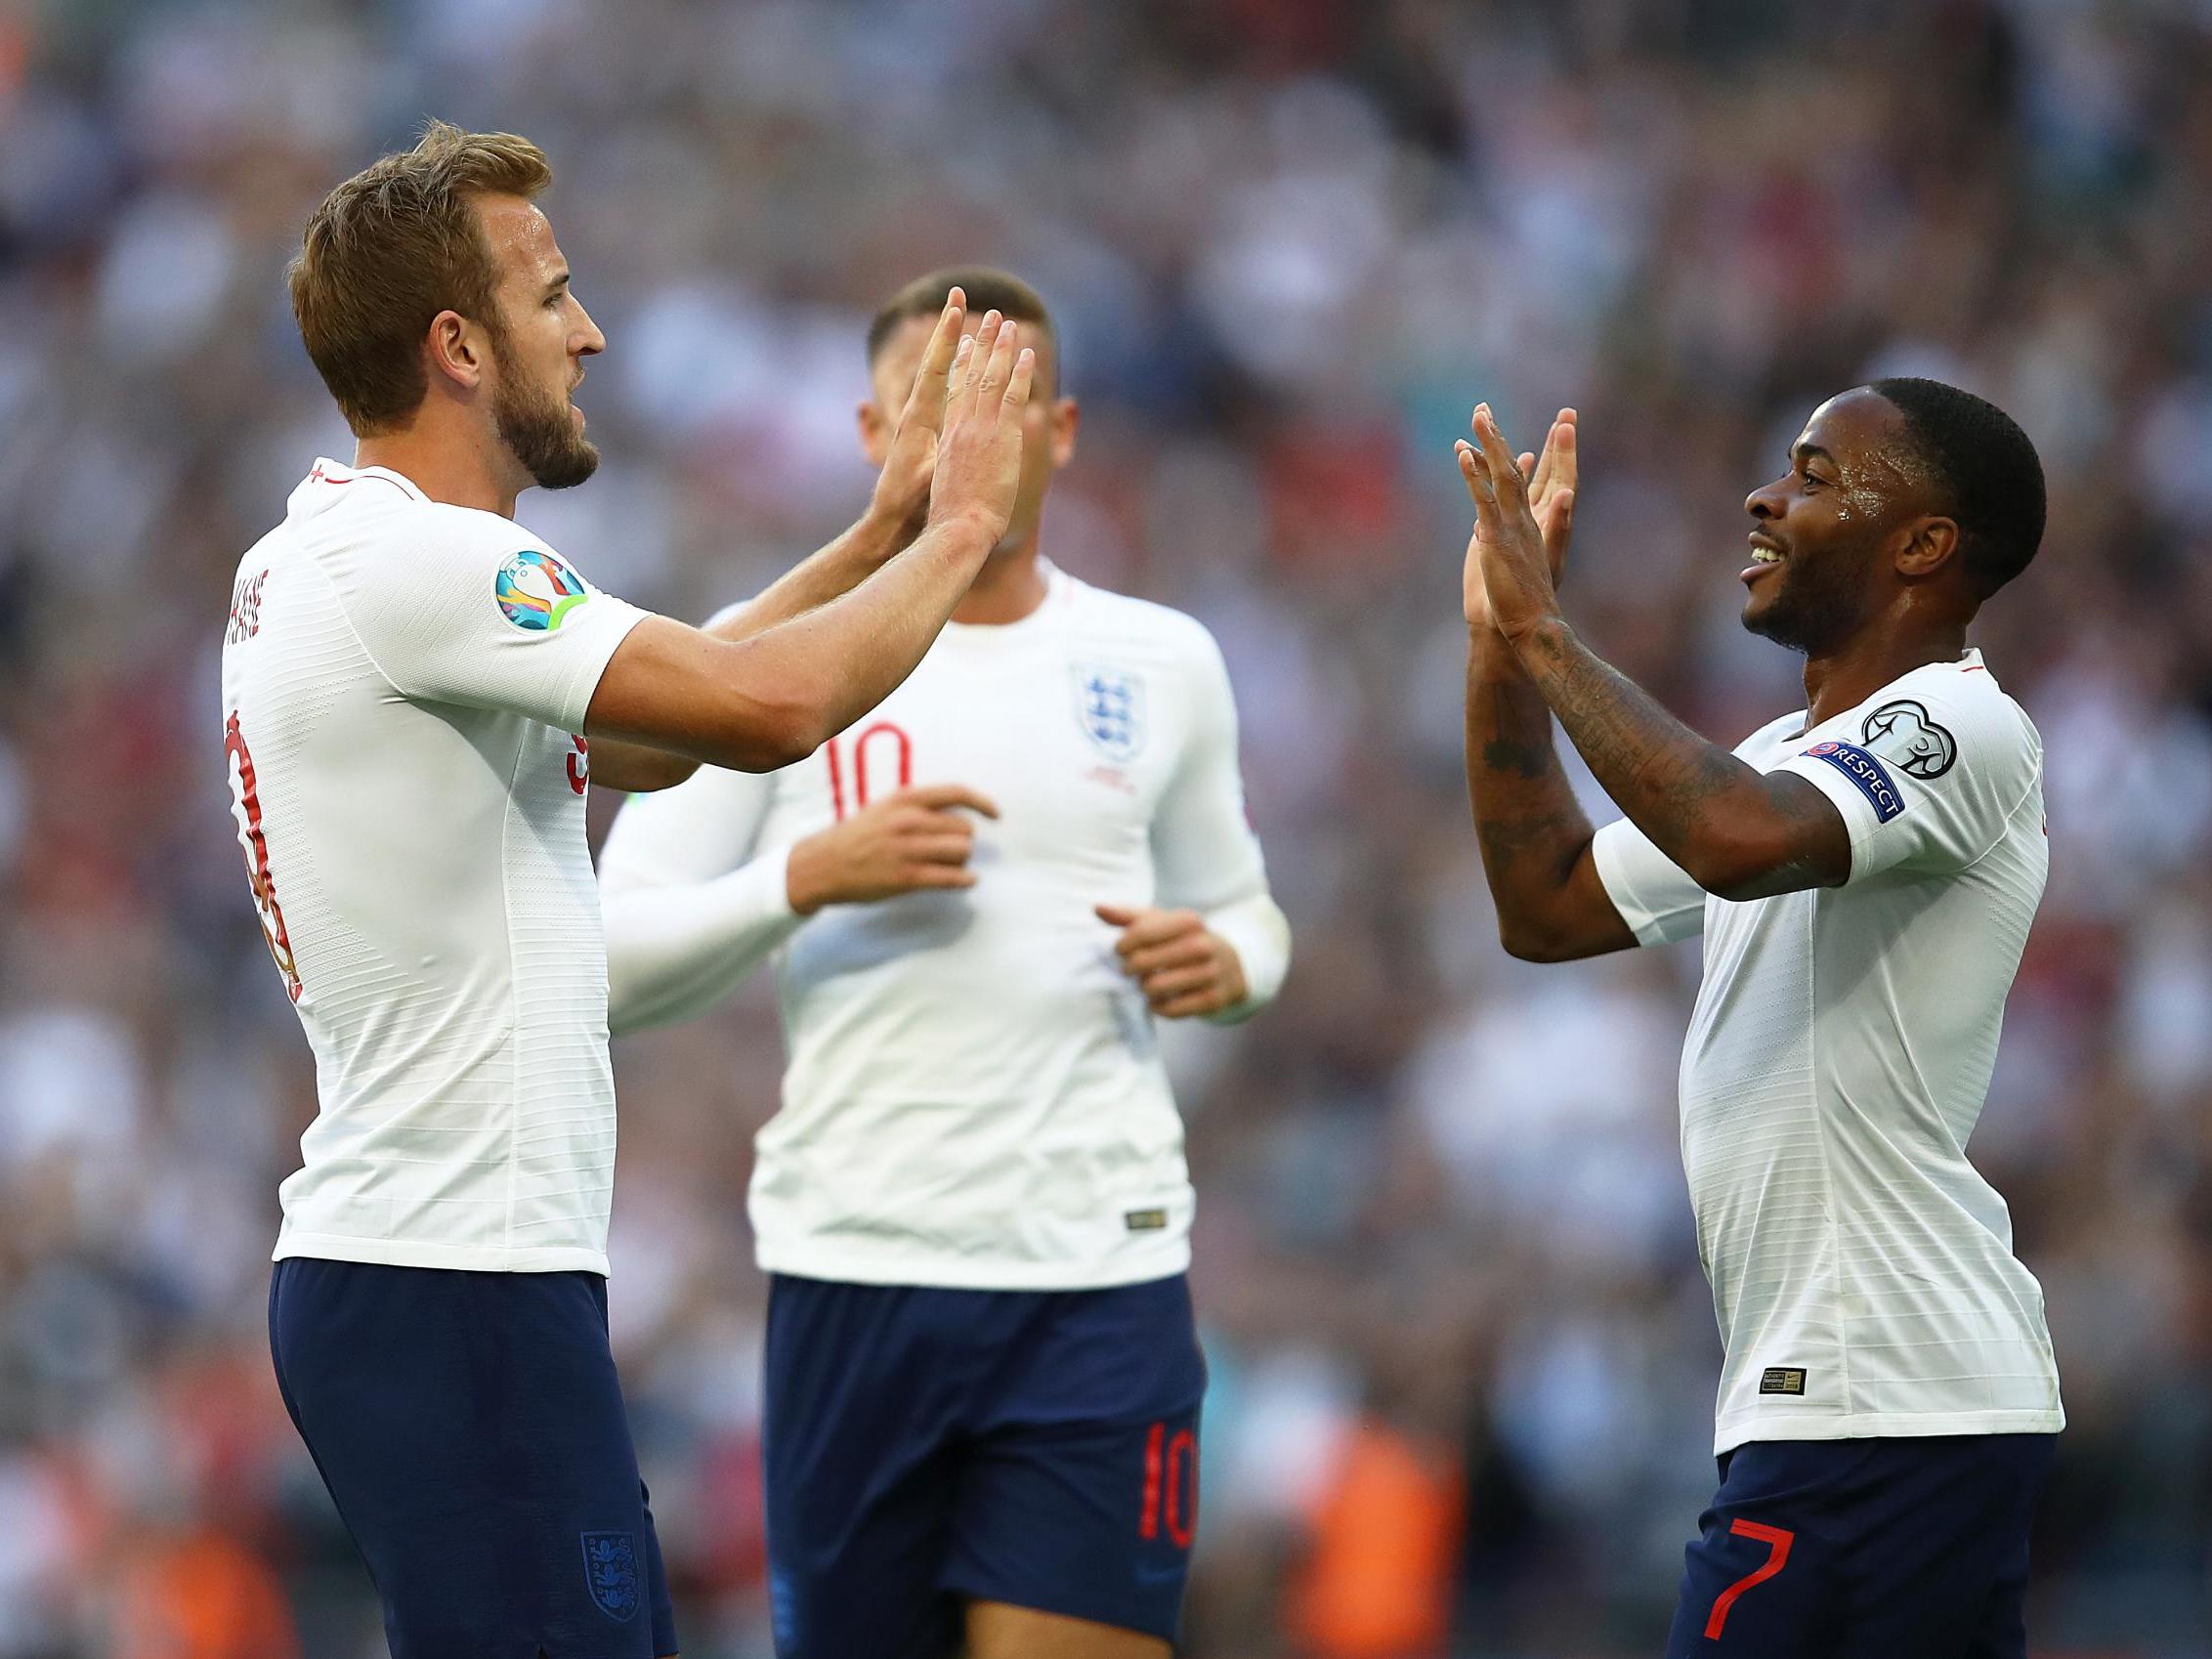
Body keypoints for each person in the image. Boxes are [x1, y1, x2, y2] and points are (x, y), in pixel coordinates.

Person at [220, 124, 1036, 1659]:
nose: (589, 332)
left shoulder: (345, 558)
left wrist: (883, 531)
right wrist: (969, 530)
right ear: (459, 346)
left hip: (433, 1271)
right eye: (552, 295)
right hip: (454, 1273)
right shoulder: (419, 567)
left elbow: (661, 733)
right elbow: (768, 708)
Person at [596, 267, 1291, 1659]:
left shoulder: (1160, 660)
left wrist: (1225, 962)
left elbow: (1249, 913)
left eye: (1005, 394)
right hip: (858, 1265)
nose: (972, 427)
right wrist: (805, 876)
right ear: (871, 432)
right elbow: (608, 956)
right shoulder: (772, 660)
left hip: (1097, 1273)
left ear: (1064, 430)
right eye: (934, 398)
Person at [1455, 383, 2062, 1658]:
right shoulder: (1791, 752)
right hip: (1872, 1407)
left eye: (1817, 475)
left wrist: (1546, 631)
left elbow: (1735, 838)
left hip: (1878, 1398)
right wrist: (1498, 647)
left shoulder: (1963, 724)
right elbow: (1546, 903)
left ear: (1922, 545)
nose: (1765, 497)